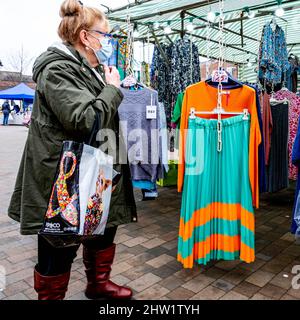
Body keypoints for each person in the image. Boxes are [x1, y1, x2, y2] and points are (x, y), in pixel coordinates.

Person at [8, 0, 137, 300]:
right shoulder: (57, 69)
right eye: (104, 34)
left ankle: (98, 283)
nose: (108, 41)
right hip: (64, 177)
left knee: (103, 228)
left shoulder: (89, 69)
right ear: (85, 36)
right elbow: (84, 119)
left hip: (97, 171)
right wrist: (113, 90)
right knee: (59, 242)